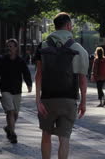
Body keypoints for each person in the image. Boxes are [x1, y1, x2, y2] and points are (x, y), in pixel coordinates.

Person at [35, 12, 88, 159]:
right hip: (69, 100)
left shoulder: (43, 46)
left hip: (47, 99)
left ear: (55, 26)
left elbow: (39, 75)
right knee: (64, 139)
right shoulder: (79, 49)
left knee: (46, 134)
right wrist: (83, 102)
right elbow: (82, 80)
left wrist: (38, 100)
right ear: (69, 26)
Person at [0, 38, 33, 144]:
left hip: (17, 90)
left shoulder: (21, 61)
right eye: (8, 46)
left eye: (11, 46)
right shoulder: (2, 60)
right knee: (10, 112)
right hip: (5, 89)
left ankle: (8, 128)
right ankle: (13, 134)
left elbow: (26, 73)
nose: (9, 48)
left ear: (16, 48)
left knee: (15, 114)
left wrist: (29, 84)